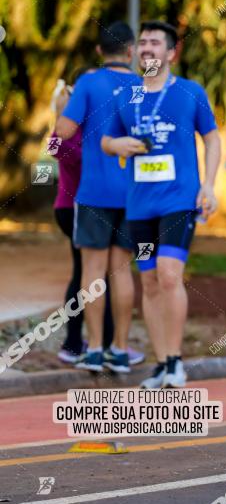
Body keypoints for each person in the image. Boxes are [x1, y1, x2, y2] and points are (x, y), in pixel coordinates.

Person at [101, 21, 221, 389]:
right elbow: (107, 140)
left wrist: (209, 185)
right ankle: (161, 362)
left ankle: (176, 361)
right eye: (142, 43)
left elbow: (212, 138)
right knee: (150, 282)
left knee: (169, 274)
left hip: (178, 200)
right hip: (139, 207)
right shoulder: (126, 95)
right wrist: (117, 146)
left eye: (155, 43)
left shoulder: (189, 92)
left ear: (171, 53)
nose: (147, 49)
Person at [55, 22, 139, 374]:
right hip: (134, 194)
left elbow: (64, 132)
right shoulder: (142, 85)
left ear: (99, 51)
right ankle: (120, 349)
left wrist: (63, 105)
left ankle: (94, 350)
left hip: (93, 192)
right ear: (132, 51)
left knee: (92, 272)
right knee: (122, 271)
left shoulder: (88, 82)